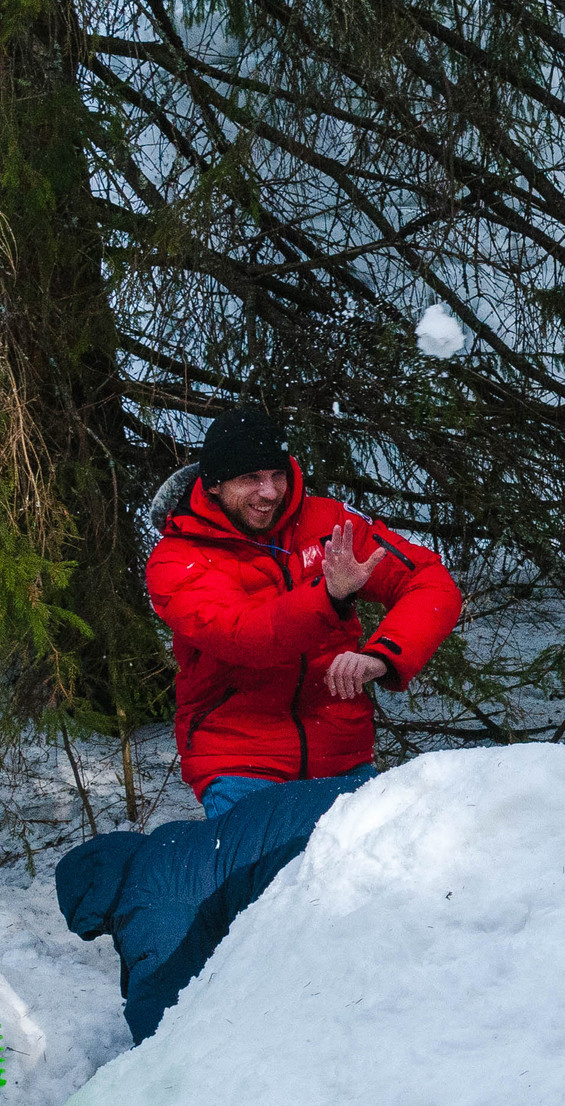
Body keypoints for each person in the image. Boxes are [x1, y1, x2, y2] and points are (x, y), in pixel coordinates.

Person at [148, 407, 461, 817]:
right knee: (269, 862)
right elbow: (247, 637)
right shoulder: (177, 559)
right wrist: (329, 597)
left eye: (277, 474)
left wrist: (384, 655)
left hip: (343, 756)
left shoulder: (330, 524)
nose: (270, 492)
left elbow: (429, 581)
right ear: (215, 485)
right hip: (240, 763)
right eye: (251, 478)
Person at [55, 772, 371, 1043]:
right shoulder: (168, 849)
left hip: (318, 838)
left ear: (93, 907)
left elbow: (160, 993)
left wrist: (142, 1068)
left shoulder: (148, 898)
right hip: (354, 797)